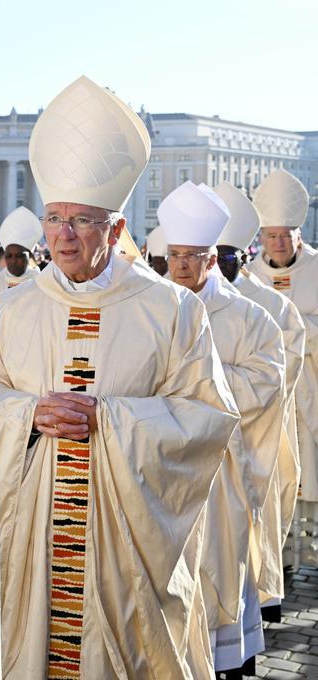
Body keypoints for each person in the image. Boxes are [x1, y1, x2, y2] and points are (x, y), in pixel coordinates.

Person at [0, 75, 238, 678]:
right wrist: (28, 415)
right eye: (54, 218)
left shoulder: (173, 310)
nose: (63, 235)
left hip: (125, 550)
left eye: (82, 220)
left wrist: (111, 419)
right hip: (32, 539)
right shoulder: (11, 306)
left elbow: (208, 417)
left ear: (118, 230)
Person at [161, 182, 285, 677]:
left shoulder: (249, 318)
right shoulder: (155, 307)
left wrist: (199, 385)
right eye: (174, 256)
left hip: (220, 474)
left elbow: (266, 382)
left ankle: (227, 662)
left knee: (219, 567)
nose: (181, 267)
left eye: (192, 257)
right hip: (163, 462)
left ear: (213, 259)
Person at [216, 180, 306, 622]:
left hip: (254, 432)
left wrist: (212, 386)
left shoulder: (267, 306)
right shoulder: (179, 303)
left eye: (227, 256)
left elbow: (279, 372)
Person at [247, 169, 318, 527]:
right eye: (271, 236)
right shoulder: (249, 278)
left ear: (298, 235)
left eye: (284, 236)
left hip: (310, 383)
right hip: (270, 389)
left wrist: (297, 329)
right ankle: (282, 545)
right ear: (261, 238)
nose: (278, 243)